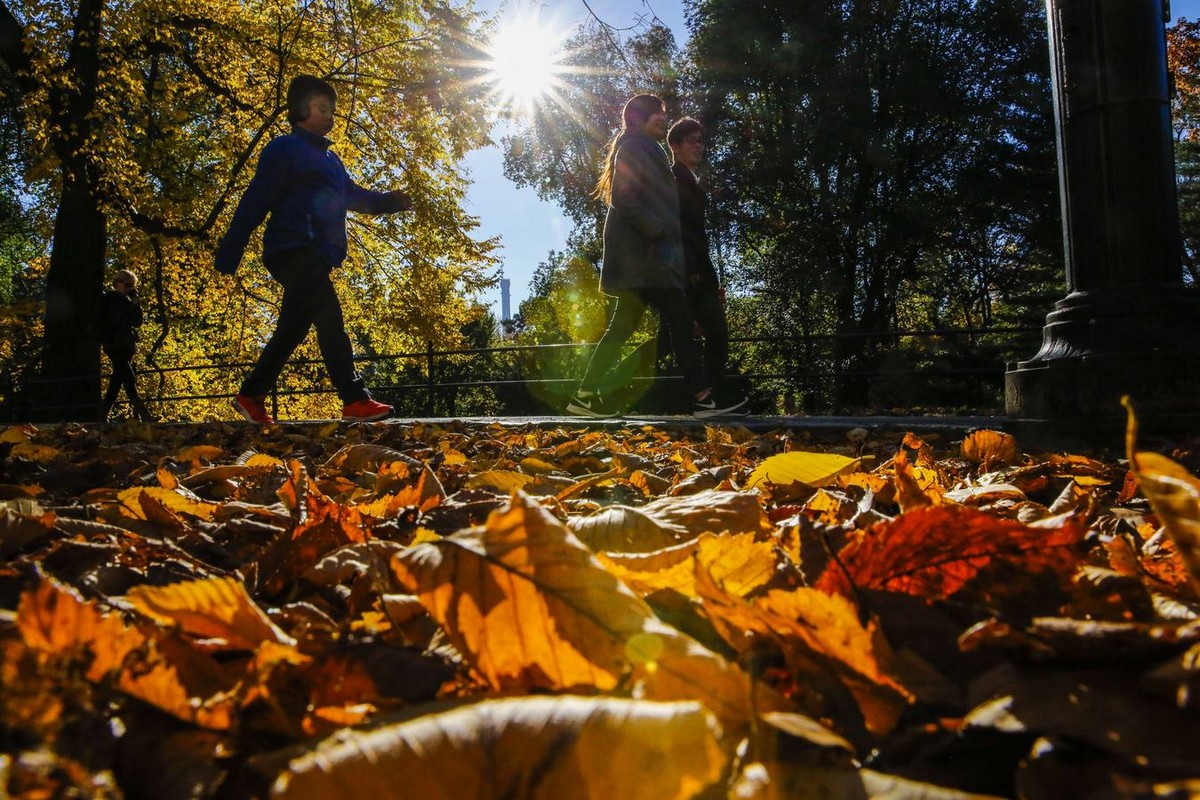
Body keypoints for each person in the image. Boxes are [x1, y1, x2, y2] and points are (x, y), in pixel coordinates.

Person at [215, 74, 410, 424]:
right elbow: (256, 198)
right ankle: (353, 398)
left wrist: (388, 203)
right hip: (292, 247)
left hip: (317, 254)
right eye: (322, 108)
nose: (330, 116)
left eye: (332, 110)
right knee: (330, 316)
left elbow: (354, 196)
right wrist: (233, 247)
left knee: (293, 327)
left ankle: (251, 395)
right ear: (301, 109)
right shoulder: (284, 149)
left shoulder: (332, 162)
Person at [566, 94, 747, 419]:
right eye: (656, 114)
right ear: (638, 118)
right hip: (645, 260)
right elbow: (624, 197)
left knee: (624, 329)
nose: (663, 118)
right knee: (678, 322)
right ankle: (703, 400)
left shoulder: (644, 147)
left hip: (642, 262)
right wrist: (658, 229)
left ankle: (584, 397)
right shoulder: (636, 147)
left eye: (663, 113)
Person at [662, 116, 745, 413]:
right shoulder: (673, 179)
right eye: (691, 141)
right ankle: (703, 396)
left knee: (713, 332)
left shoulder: (691, 181)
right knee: (695, 332)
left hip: (699, 270)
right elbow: (678, 229)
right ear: (675, 146)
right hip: (688, 271)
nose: (699, 145)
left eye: (701, 140)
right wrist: (691, 270)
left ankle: (709, 396)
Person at [96, 269, 155, 422]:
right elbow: (104, 322)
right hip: (114, 344)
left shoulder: (129, 302)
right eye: (127, 284)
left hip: (127, 345)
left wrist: (136, 304)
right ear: (118, 283)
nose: (129, 287)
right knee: (128, 377)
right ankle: (145, 415)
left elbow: (137, 322)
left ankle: (102, 416)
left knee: (117, 380)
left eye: (132, 285)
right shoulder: (108, 299)